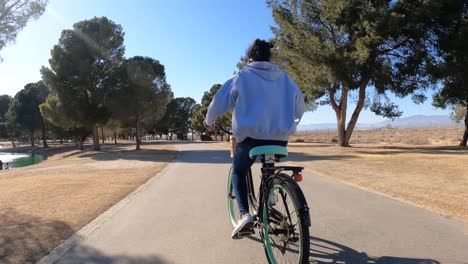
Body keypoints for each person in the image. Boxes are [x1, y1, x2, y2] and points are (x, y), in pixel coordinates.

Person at [205, 39, 305, 239]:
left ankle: (244, 215)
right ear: (269, 57)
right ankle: (270, 195)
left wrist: (210, 121)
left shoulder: (242, 75)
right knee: (268, 165)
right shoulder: (285, 78)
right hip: (279, 139)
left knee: (239, 171)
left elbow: (219, 101)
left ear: (249, 58)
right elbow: (299, 106)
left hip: (250, 138)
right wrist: (291, 124)